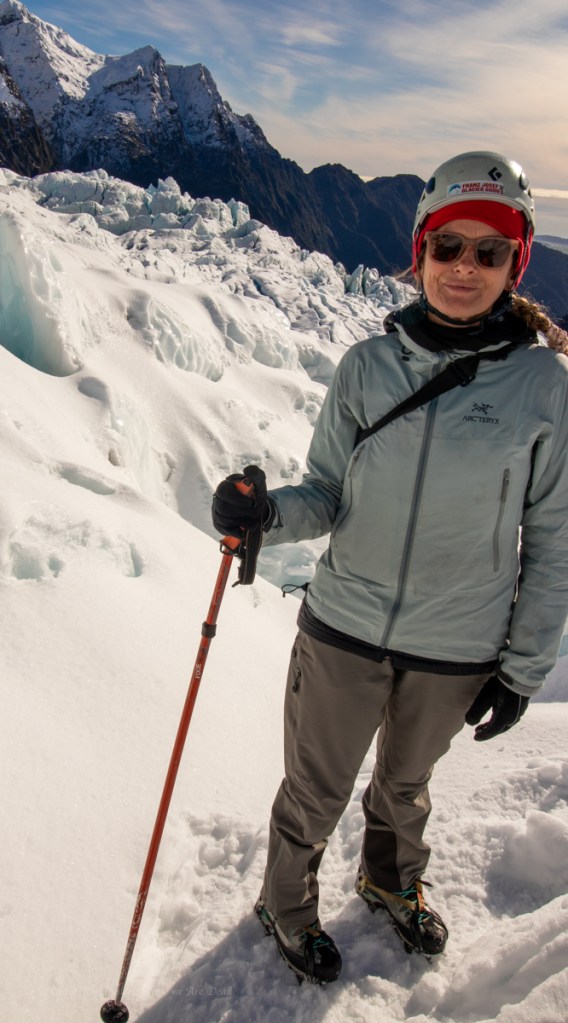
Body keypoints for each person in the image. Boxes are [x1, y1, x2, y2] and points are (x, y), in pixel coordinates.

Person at [212, 151, 568, 985]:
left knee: (406, 785)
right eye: (448, 246)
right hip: (344, 625)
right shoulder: (367, 369)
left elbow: (554, 538)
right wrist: (265, 515)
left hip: (458, 643)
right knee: (315, 788)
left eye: (489, 250)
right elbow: (327, 493)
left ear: (516, 261)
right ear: (420, 251)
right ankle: (286, 902)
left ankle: (390, 879)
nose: (464, 267)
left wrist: (523, 666)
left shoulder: (543, 386)